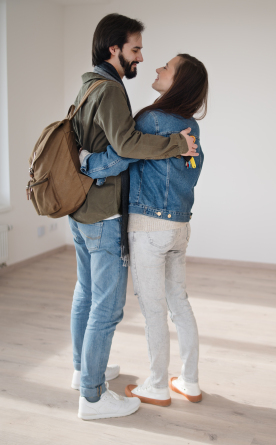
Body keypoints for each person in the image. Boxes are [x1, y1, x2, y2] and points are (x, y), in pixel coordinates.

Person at [69, 14, 199, 421]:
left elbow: (114, 145)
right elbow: (127, 147)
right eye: (136, 49)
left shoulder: (89, 84)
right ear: (115, 50)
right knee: (107, 309)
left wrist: (88, 162)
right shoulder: (113, 92)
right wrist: (177, 143)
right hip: (106, 213)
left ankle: (82, 371)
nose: (143, 58)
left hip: (82, 210)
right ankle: (92, 397)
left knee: (87, 294)